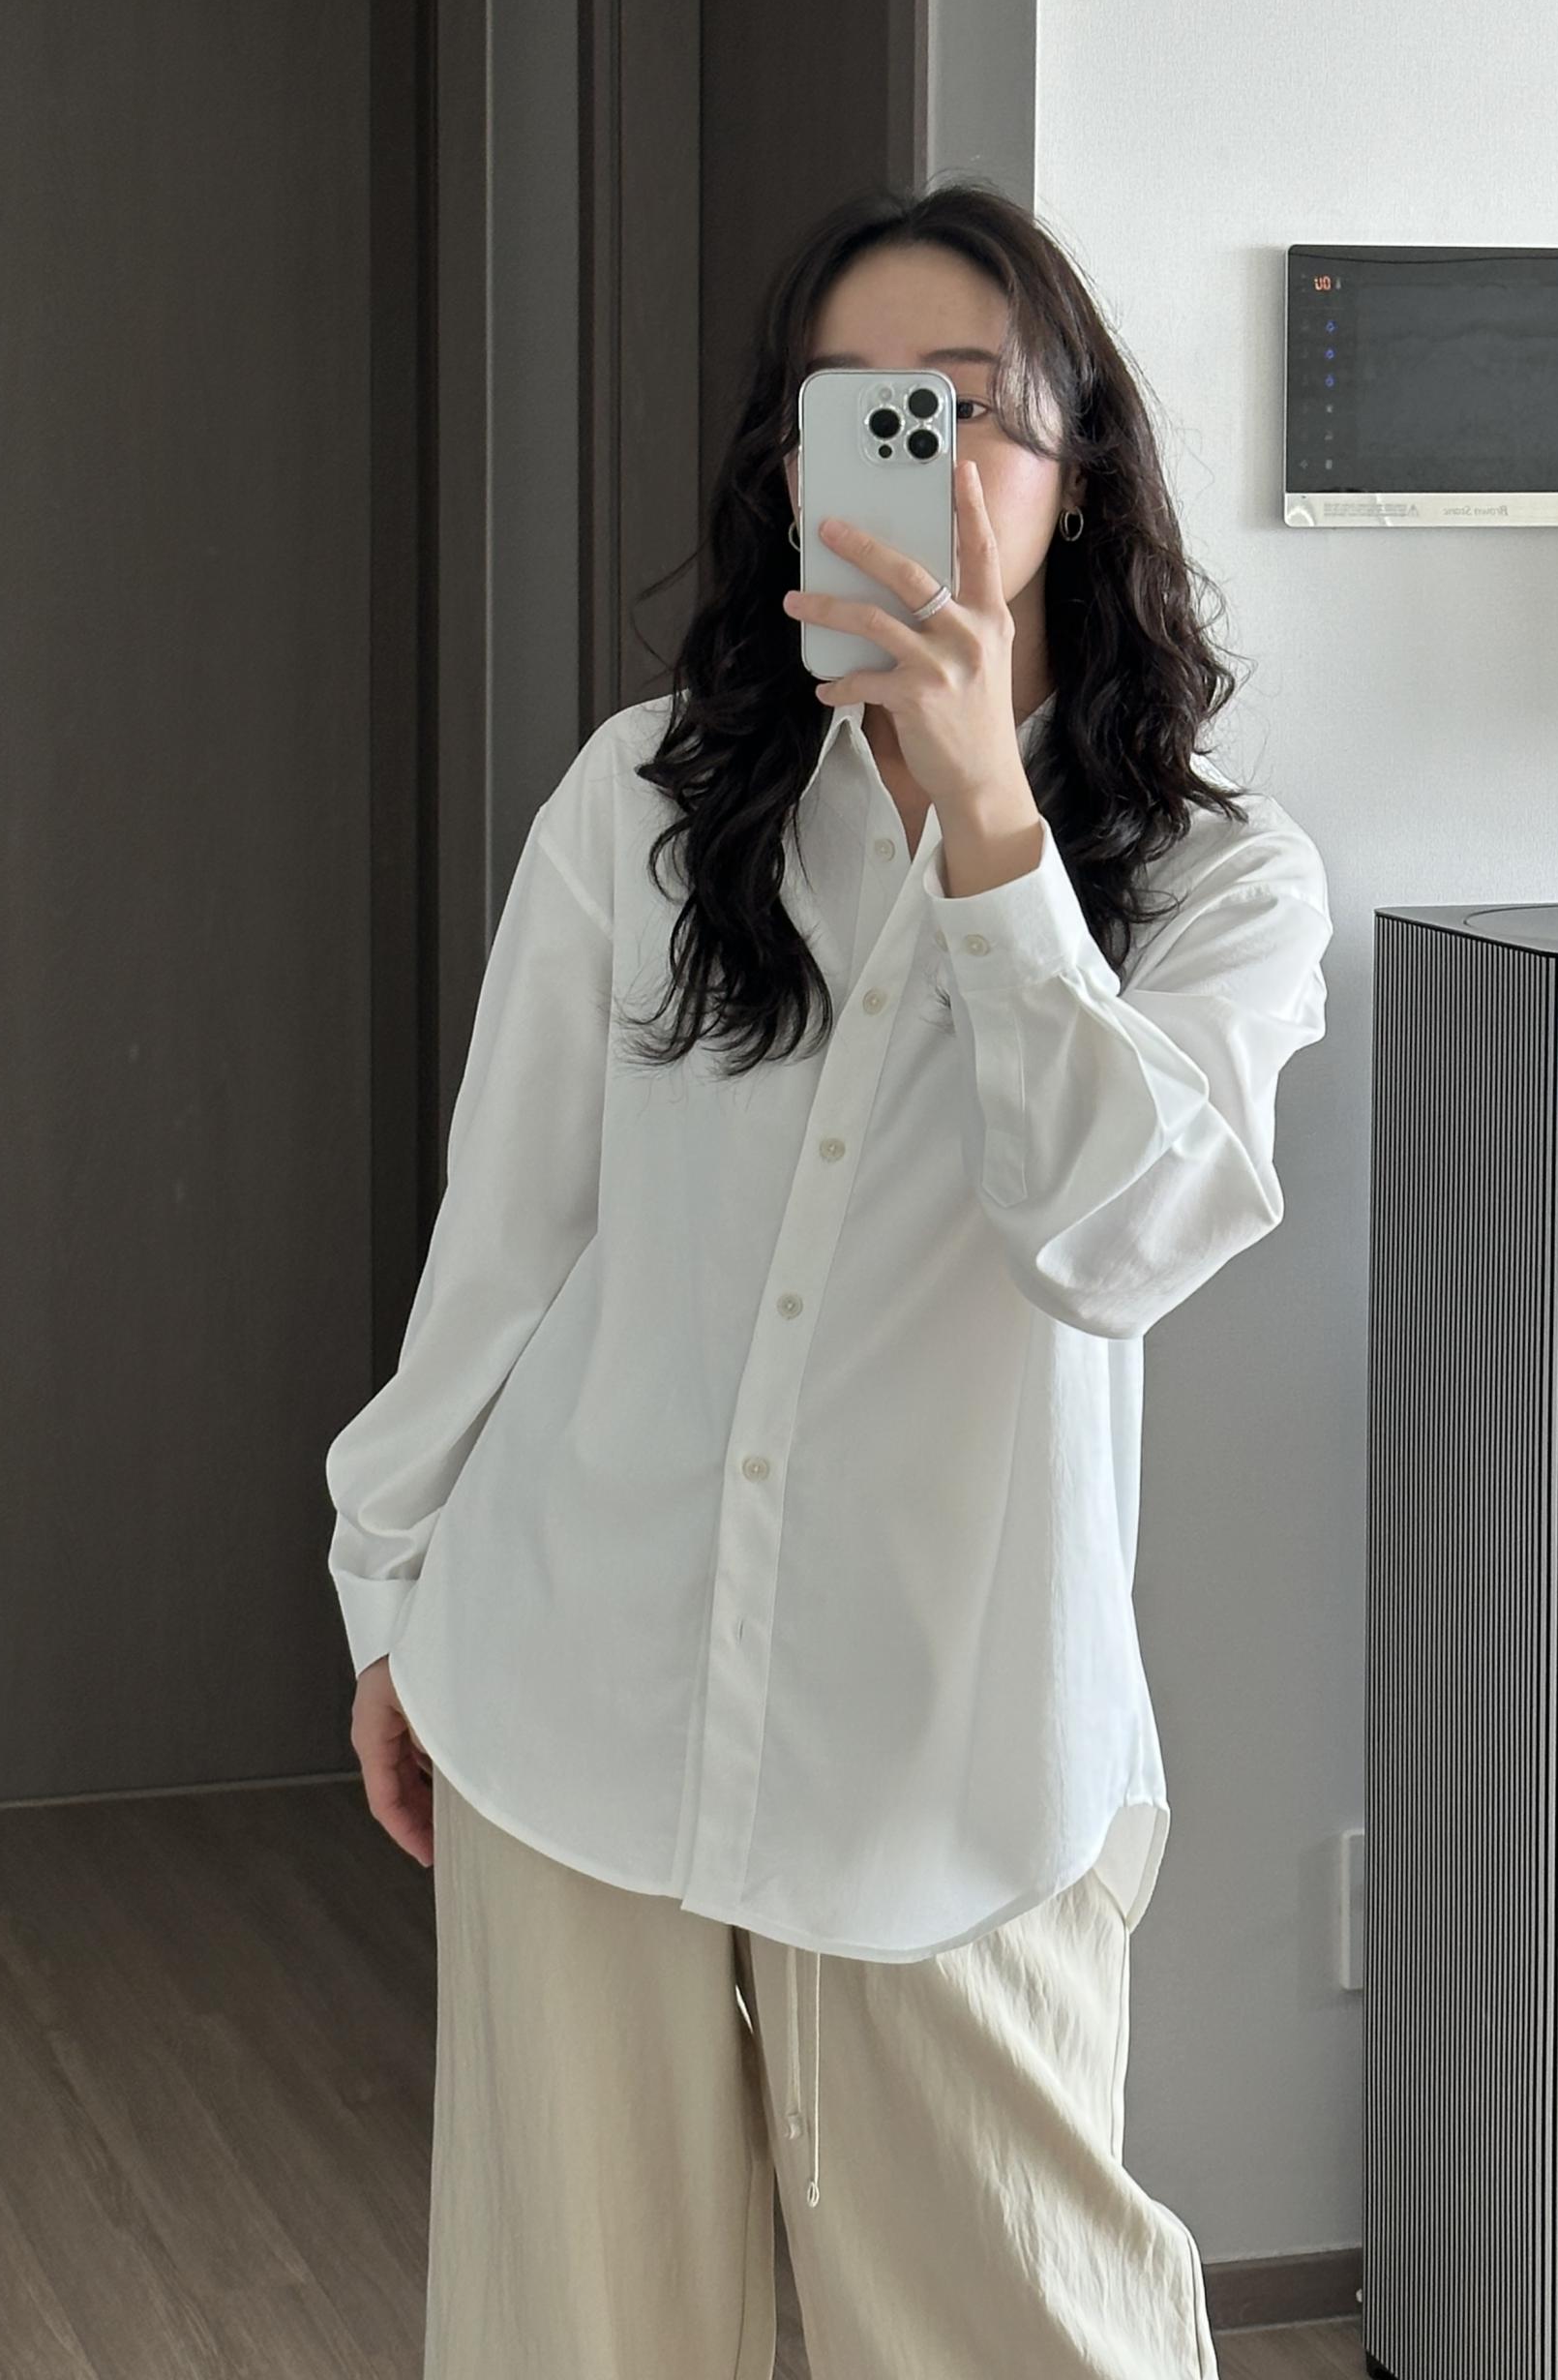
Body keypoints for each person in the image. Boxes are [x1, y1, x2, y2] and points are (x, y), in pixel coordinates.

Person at [324, 177, 1333, 2379]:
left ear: (1077, 471)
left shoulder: (1218, 883)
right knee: (576, 2343)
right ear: (791, 466)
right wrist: (386, 1586)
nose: (917, 453)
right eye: (857, 408)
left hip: (954, 1765)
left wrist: (986, 830)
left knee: (1031, 2329)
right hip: (573, 1693)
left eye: (968, 405)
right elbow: (507, 1241)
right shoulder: (643, 803)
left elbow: (1119, 1240)